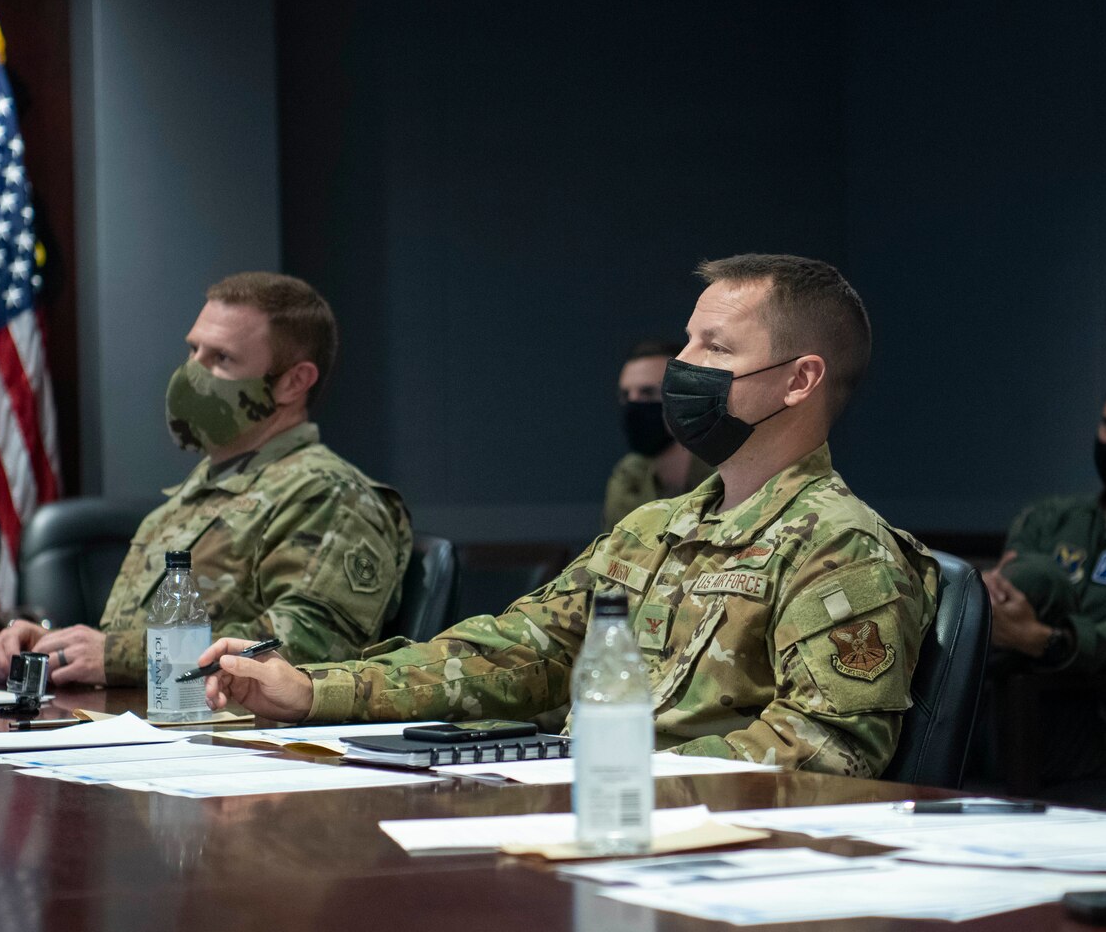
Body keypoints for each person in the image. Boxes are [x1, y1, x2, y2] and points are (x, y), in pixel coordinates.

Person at [197, 254, 940, 777]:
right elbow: (523, 649)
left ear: (799, 379)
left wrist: (607, 768)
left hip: (710, 857)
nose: (682, 364)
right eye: (687, 337)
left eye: (713, 346)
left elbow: (826, 747)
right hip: (593, 819)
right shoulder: (653, 529)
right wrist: (315, 689)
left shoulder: (843, 547)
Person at [0, 272, 411, 687]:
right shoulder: (193, 495)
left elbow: (310, 645)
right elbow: (130, 642)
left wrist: (118, 656)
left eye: (221, 358)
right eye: (193, 350)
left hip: (240, 747)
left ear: (293, 382)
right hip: (142, 731)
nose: (191, 373)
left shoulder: (329, 493)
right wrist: (55, 649)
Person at [983, 382, 1106, 781]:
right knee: (1032, 579)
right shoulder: (1050, 518)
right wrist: (989, 596)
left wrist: (1047, 640)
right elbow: (1006, 596)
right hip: (1007, 697)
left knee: (1037, 580)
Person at [604, 338, 711, 531]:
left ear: (686, 398)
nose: (633, 405)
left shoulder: (727, 473)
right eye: (626, 395)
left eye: (648, 393)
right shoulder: (629, 475)